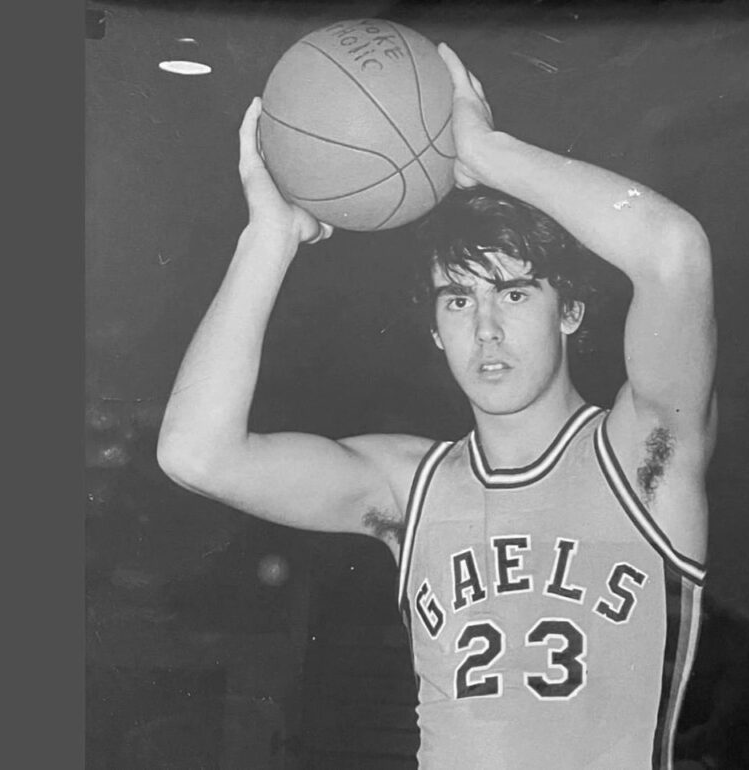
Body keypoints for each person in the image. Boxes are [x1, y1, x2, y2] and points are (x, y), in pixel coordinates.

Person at [158, 43, 716, 770]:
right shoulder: (409, 487)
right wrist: (269, 237)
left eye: (514, 293)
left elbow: (674, 253)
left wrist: (489, 153)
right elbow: (193, 453)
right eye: (459, 299)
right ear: (434, 327)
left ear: (570, 311)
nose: (485, 327)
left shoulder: (644, 455)